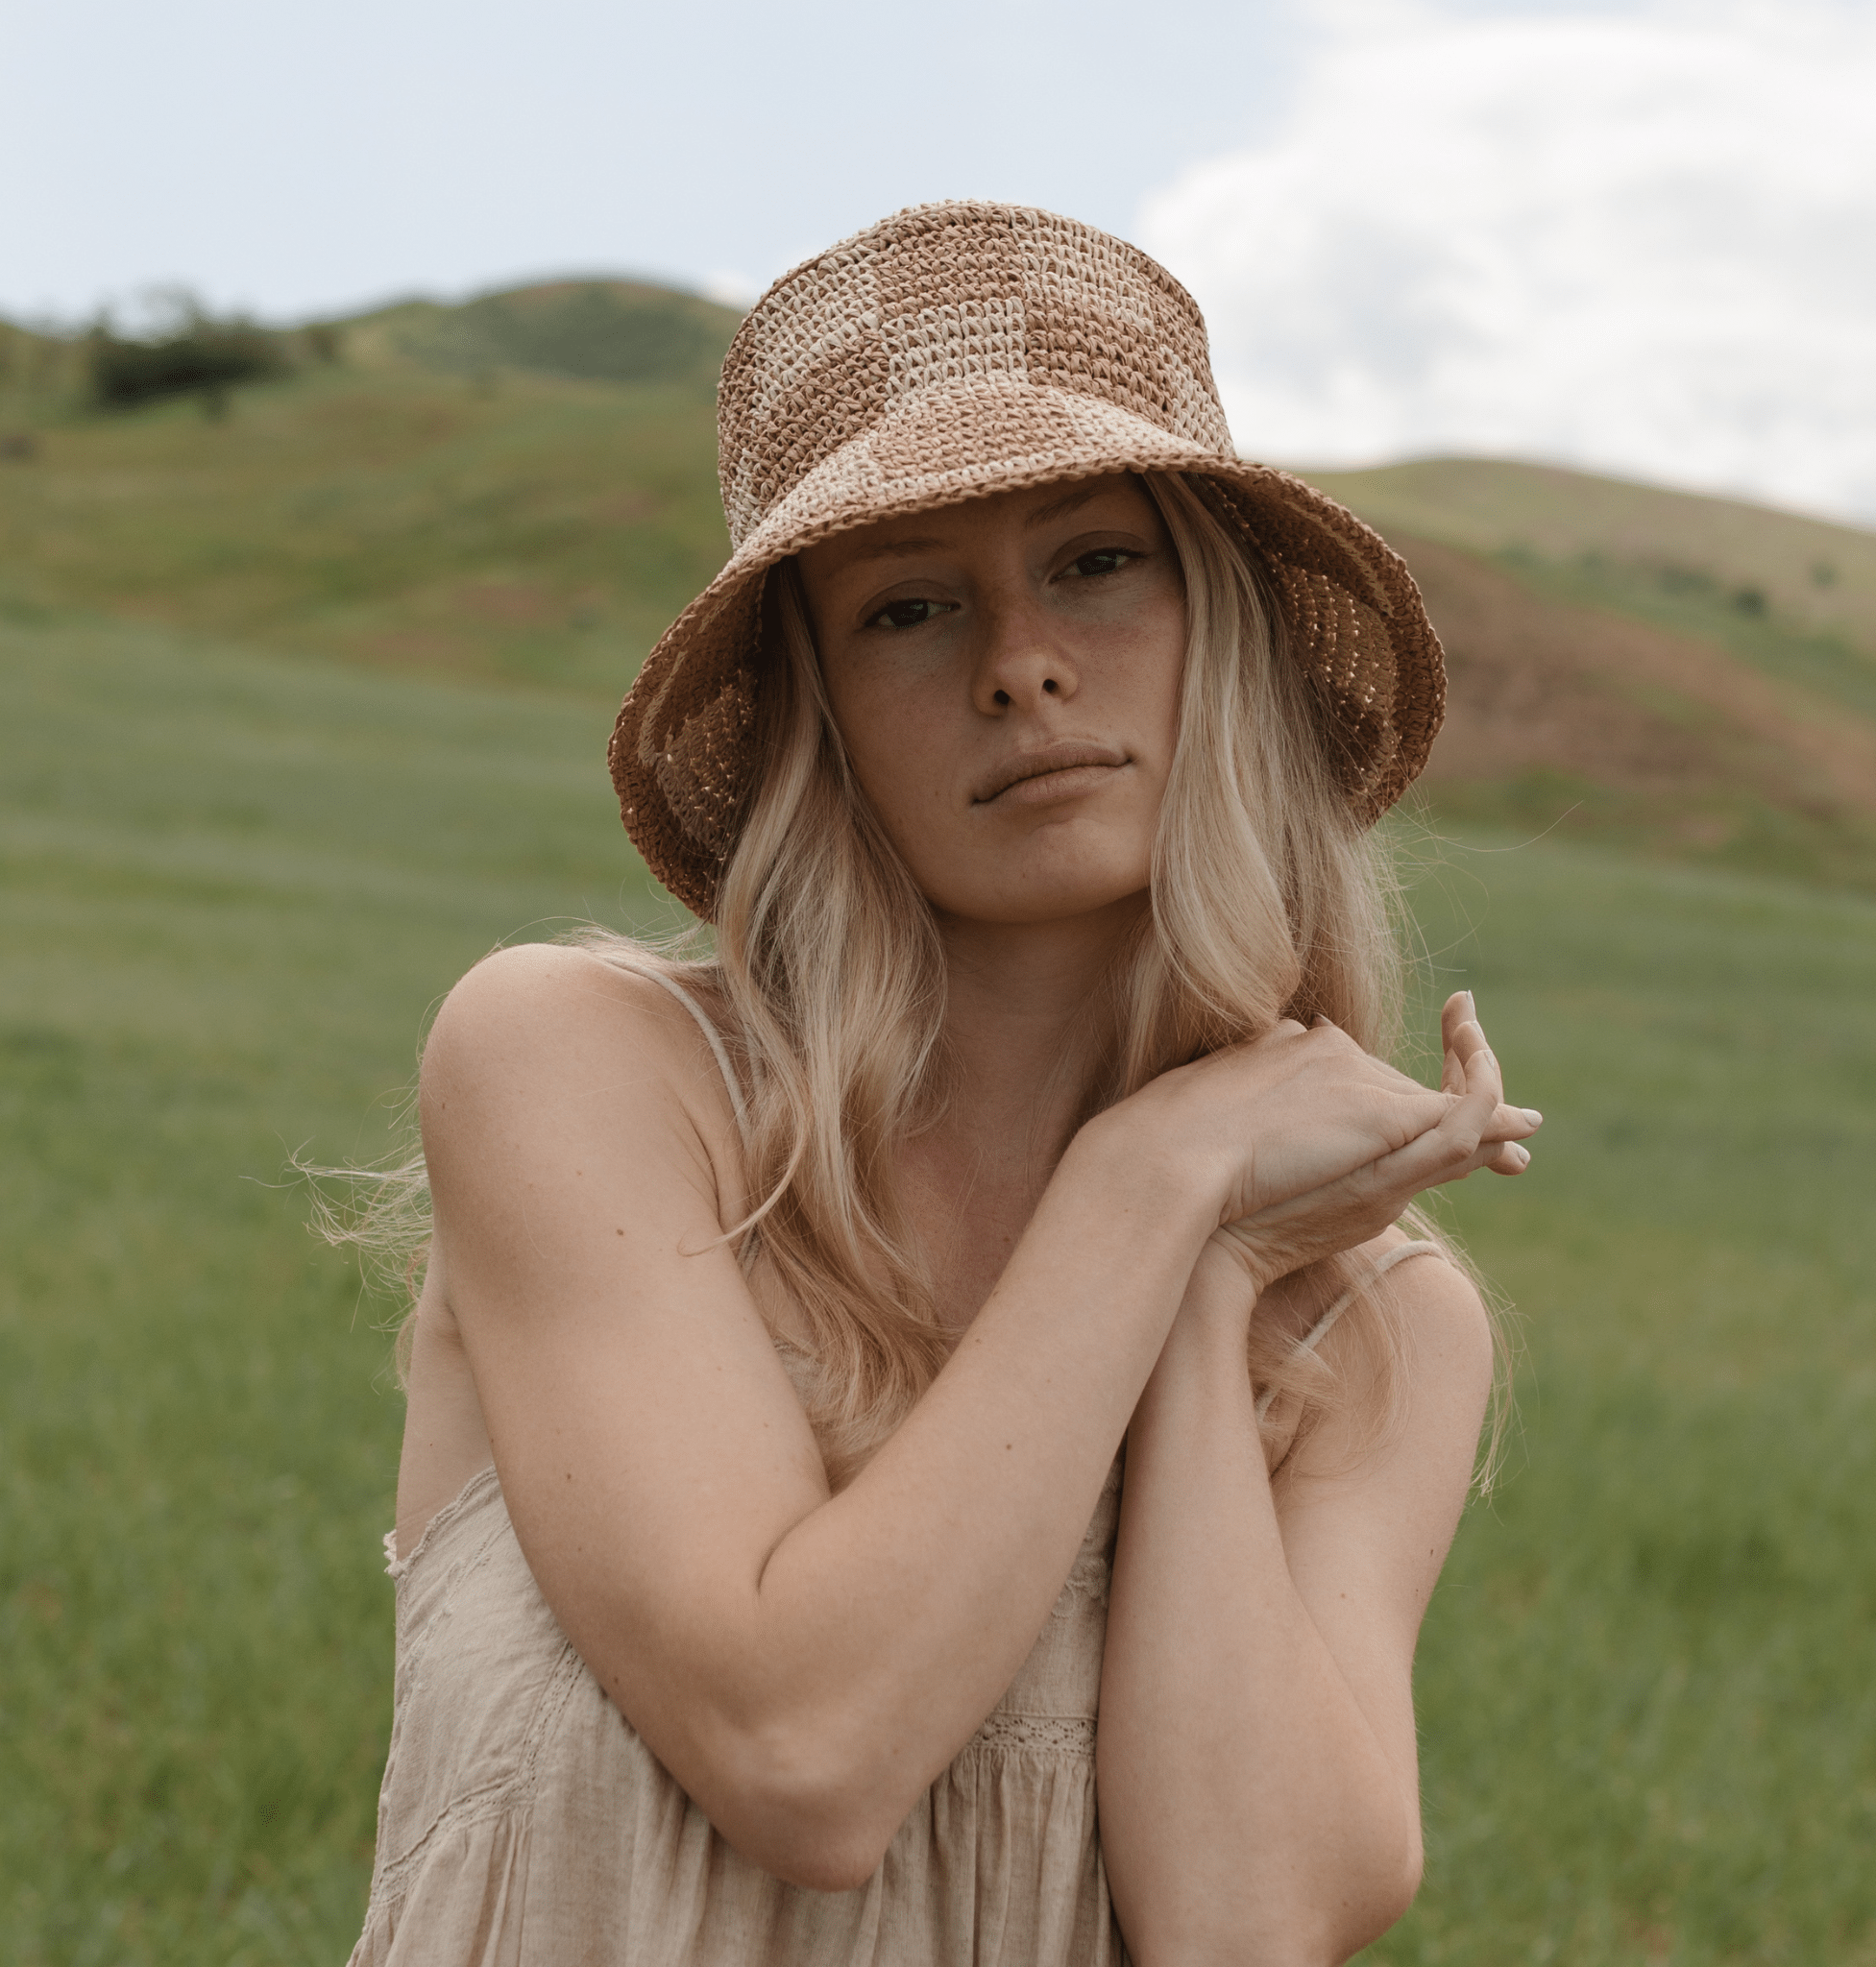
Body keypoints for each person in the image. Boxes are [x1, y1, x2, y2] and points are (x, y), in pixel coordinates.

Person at [344, 201, 1541, 1967]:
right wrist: (1147, 1177)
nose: (1020, 663)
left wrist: (1208, 1288)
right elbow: (801, 1752)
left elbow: (1243, 1922)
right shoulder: (588, 1072)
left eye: (1097, 563)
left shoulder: (1376, 1329)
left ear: (1222, 630)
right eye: (910, 605)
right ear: (814, 707)